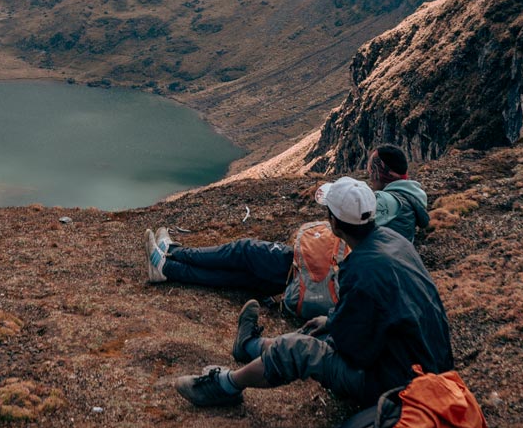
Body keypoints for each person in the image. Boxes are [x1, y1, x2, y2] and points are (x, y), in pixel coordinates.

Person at [174, 176, 453, 409]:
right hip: (428, 367)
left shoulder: (360, 268)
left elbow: (353, 350)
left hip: (396, 387)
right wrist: (332, 320)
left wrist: (330, 333)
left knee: (300, 349)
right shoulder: (394, 242)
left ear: (334, 222)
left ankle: (226, 385)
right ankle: (247, 346)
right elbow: (380, 311)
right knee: (322, 330)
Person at [144, 144, 430, 292]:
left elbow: (360, 221)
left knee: (244, 251)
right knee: (245, 278)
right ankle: (169, 266)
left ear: (380, 170)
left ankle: (171, 255)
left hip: (323, 271)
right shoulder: (409, 198)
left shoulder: (389, 201)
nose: (368, 172)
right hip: (332, 276)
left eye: (370, 167)